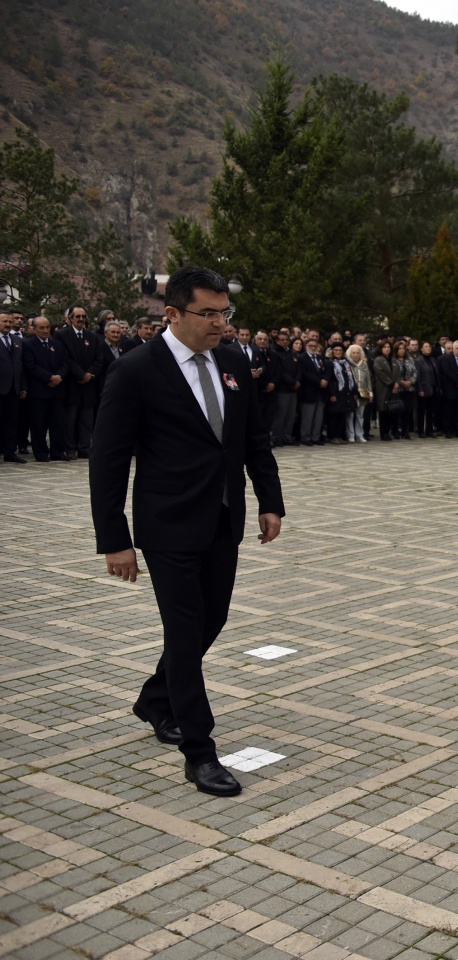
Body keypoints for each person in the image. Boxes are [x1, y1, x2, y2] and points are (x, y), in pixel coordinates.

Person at [89, 266, 285, 797]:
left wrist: (270, 501)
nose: (221, 323)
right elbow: (108, 461)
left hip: (223, 518)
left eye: (225, 312)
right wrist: (114, 538)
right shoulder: (136, 370)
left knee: (210, 621)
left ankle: (156, 699)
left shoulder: (233, 361)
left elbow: (253, 437)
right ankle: (199, 751)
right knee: (183, 632)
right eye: (209, 313)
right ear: (172, 314)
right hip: (168, 525)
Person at [56, 305, 102, 460]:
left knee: (86, 420)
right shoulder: (62, 335)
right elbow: (65, 358)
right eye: (77, 316)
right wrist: (81, 374)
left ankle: (84, 447)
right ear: (70, 319)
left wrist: (90, 374)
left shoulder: (92, 337)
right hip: (71, 384)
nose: (81, 319)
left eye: (83, 316)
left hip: (89, 386)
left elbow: (99, 359)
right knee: (70, 420)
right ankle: (70, 448)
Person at [21, 316, 68, 462]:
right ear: (34, 329)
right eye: (41, 328)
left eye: (47, 327)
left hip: (56, 390)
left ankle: (57, 451)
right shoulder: (28, 344)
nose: (45, 330)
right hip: (39, 391)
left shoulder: (57, 345)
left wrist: (59, 376)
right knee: (38, 424)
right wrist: (49, 378)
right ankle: (40, 452)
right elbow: (30, 366)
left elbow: (65, 363)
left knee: (57, 423)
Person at [268, 330, 300, 446]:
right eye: (282, 340)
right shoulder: (275, 353)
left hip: (293, 389)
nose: (285, 342)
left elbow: (299, 369)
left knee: (290, 415)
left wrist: (298, 380)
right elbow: (280, 371)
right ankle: (277, 437)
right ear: (277, 341)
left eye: (287, 340)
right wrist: (292, 381)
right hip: (282, 389)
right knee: (280, 415)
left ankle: (287, 436)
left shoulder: (292, 353)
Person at [2, 311, 26, 463]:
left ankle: (10, 452)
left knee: (11, 422)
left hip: (13, 388)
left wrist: (23, 386)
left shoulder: (17, 340)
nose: (8, 324)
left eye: (9, 322)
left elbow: (20, 365)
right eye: (4, 321)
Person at [435, 339, 458, 438]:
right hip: (450, 389)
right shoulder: (446, 359)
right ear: (453, 349)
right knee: (449, 411)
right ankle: (448, 430)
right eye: (457, 348)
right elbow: (447, 371)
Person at [297, 338, 328, 446]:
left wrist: (325, 380)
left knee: (318, 417)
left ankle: (316, 436)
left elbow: (324, 371)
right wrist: (319, 381)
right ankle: (305, 437)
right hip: (308, 390)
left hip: (320, 391)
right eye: (311, 346)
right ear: (306, 346)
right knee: (308, 416)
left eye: (315, 346)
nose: (313, 348)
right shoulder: (302, 358)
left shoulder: (320, 358)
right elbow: (304, 373)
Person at [372, 341, 398, 440]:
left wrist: (397, 384)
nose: (387, 349)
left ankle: (391, 431)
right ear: (381, 349)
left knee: (392, 410)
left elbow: (398, 373)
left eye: (388, 347)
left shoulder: (394, 360)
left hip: (394, 388)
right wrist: (391, 383)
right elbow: (380, 373)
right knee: (383, 410)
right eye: (384, 347)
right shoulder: (378, 360)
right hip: (383, 388)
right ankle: (384, 433)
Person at [392, 341, 418, 439]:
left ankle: (405, 431)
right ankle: (396, 430)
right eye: (399, 349)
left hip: (409, 389)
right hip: (398, 389)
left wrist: (410, 382)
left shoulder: (410, 359)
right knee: (398, 410)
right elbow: (393, 374)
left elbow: (415, 372)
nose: (401, 351)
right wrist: (401, 382)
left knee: (407, 410)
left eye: (403, 348)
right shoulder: (393, 360)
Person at [347, 344, 371, 443]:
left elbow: (368, 379)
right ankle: (350, 435)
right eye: (353, 353)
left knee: (360, 415)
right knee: (350, 415)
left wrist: (370, 393)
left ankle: (359, 434)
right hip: (351, 393)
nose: (356, 355)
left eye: (357, 353)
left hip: (363, 393)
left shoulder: (364, 364)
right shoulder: (347, 364)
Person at [414, 341, 438, 438]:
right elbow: (418, 376)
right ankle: (421, 431)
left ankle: (429, 430)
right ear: (421, 349)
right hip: (424, 389)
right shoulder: (418, 360)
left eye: (429, 346)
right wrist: (420, 389)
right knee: (421, 411)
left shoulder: (432, 359)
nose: (428, 348)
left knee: (431, 411)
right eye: (426, 346)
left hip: (433, 388)